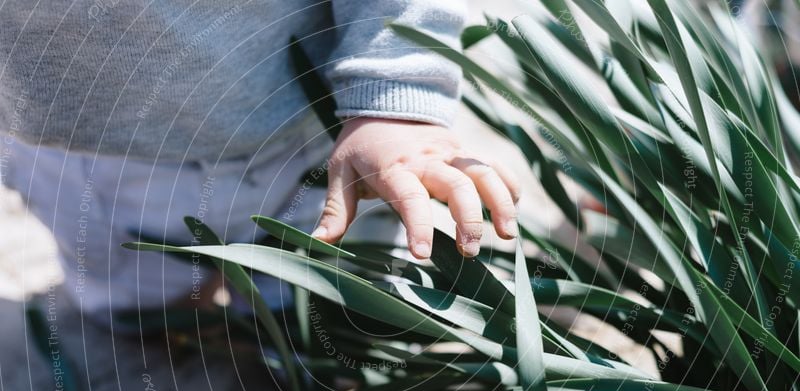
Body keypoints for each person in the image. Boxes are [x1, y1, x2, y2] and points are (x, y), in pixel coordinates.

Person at [0, 1, 519, 321]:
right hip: (86, 158)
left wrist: (398, 98)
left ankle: (306, 343)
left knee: (332, 298)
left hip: (318, 131)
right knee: (144, 308)